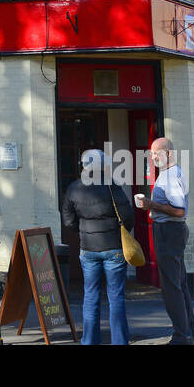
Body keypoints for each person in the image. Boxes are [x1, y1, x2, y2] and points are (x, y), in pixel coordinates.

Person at [61, 148, 134, 345]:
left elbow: (69, 221)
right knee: (116, 297)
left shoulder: (73, 188)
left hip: (88, 249)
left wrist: (85, 231)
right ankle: (119, 341)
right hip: (114, 248)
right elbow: (127, 217)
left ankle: (89, 341)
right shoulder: (111, 186)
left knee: (90, 295)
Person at [135, 137, 194, 344]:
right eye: (151, 154)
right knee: (179, 284)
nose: (153, 157)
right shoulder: (172, 173)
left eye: (156, 153)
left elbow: (179, 211)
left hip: (170, 231)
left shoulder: (171, 176)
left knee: (172, 287)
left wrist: (151, 204)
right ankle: (189, 334)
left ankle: (182, 336)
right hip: (172, 232)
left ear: (168, 153)